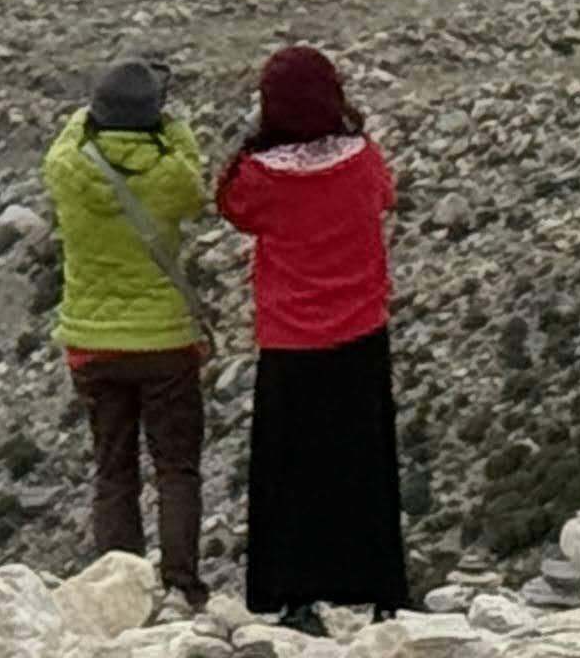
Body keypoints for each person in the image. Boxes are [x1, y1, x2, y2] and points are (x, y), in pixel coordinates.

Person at [216, 45, 409, 631]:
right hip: (359, 331)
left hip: (291, 340)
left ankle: (294, 594)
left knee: (290, 469)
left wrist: (253, 143)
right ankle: (379, 588)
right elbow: (387, 196)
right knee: (364, 462)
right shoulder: (362, 160)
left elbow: (231, 206)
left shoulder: (261, 177)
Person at [46, 57, 212, 614]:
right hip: (165, 341)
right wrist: (173, 123)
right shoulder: (170, 176)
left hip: (92, 343)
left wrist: (94, 112)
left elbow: (71, 131)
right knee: (176, 467)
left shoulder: (68, 165)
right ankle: (182, 584)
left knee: (113, 467)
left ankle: (118, 581)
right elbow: (196, 184)